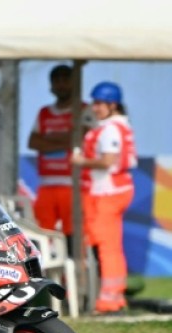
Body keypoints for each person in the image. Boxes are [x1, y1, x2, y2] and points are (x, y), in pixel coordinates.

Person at [71, 81, 136, 314]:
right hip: (107, 192)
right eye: (94, 102)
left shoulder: (110, 129)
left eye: (99, 103)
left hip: (107, 193)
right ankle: (112, 297)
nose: (94, 107)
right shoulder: (111, 126)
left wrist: (81, 162)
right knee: (108, 245)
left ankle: (110, 300)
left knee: (107, 247)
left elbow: (108, 161)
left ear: (112, 104)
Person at [27, 64, 93, 253]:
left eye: (66, 80)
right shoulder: (44, 112)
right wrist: (66, 139)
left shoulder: (84, 110)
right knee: (44, 233)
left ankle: (75, 277)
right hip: (46, 184)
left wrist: (50, 140)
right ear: (51, 85)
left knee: (74, 234)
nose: (61, 85)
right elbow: (33, 142)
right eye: (57, 81)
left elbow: (83, 136)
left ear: (74, 83)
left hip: (74, 184)